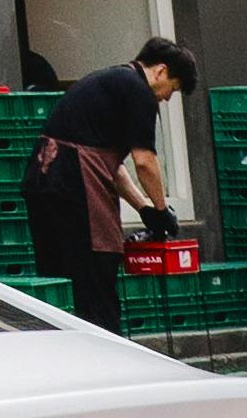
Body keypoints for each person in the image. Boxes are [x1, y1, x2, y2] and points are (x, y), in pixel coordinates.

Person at [22, 36, 194, 334]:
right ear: (161, 71)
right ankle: (105, 349)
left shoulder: (111, 81)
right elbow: (144, 161)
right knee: (97, 273)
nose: (166, 98)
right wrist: (163, 210)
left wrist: (144, 208)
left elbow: (111, 166)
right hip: (74, 183)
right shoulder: (139, 91)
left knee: (60, 278)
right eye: (173, 89)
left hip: (43, 181)